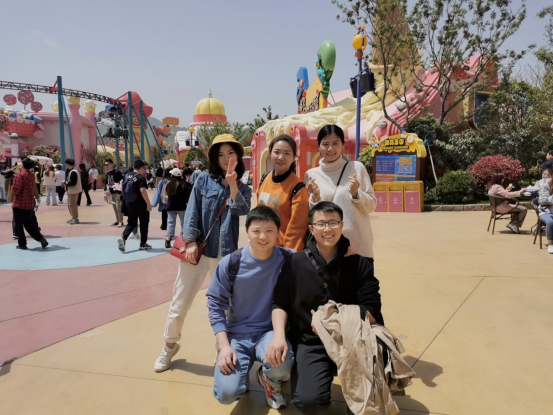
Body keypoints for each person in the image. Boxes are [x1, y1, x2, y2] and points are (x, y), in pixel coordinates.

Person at [270, 202, 383, 415]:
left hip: (354, 341)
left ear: (342, 225)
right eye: (321, 224)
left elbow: (372, 310)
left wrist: (332, 323)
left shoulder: (359, 263)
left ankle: (360, 387)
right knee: (308, 401)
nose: (327, 229)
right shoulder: (295, 262)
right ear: (311, 228)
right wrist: (278, 336)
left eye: (333, 223)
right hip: (311, 342)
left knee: (365, 409)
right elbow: (280, 303)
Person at [154, 134, 251, 373]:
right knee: (180, 302)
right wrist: (189, 241)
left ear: (238, 156)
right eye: (221, 154)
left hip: (225, 256)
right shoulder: (203, 179)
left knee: (227, 307)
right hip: (196, 252)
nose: (226, 158)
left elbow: (242, 209)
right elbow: (193, 211)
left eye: (231, 153)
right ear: (214, 158)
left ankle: (222, 353)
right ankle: (169, 346)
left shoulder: (243, 187)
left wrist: (232, 184)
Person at [207, 206, 294, 409]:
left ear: (278, 232)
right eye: (256, 231)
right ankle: (240, 377)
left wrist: (347, 248)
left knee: (282, 363)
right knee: (226, 394)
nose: (263, 236)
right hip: (237, 334)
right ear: (247, 232)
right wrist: (224, 345)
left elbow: (318, 257)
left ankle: (269, 379)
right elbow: (215, 305)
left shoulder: (288, 258)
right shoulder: (231, 263)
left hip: (270, 333)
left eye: (269, 230)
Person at [305, 124, 377, 258]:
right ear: (318, 145)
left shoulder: (356, 168)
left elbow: (371, 206)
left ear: (343, 145)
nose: (330, 148)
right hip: (328, 248)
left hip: (358, 246)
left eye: (335, 143)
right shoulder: (311, 175)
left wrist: (357, 194)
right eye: (325, 144)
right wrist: (315, 197)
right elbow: (314, 216)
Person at [257, 134, 309, 250]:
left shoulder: (298, 188)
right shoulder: (264, 179)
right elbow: (258, 213)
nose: (281, 157)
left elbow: (296, 230)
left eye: (287, 153)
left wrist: (288, 255)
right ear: (270, 154)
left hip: (281, 251)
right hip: (261, 246)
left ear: (294, 157)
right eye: (277, 152)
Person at [12, 157, 49, 250]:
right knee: (29, 224)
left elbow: (16, 190)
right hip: (29, 203)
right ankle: (41, 239)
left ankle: (22, 244)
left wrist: (13, 182)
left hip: (19, 204)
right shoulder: (31, 175)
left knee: (18, 225)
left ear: (23, 164)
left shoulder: (20, 176)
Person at [118, 159, 152, 251]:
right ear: (141, 168)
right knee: (144, 223)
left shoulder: (126, 176)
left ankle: (123, 237)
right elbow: (142, 190)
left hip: (129, 203)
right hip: (141, 204)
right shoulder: (141, 178)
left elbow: (122, 189)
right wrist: (148, 203)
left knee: (131, 223)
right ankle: (143, 243)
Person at [164, 168, 192, 249]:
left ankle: (168, 239)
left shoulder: (168, 184)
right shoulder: (183, 185)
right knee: (183, 222)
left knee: (170, 223)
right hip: (181, 207)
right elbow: (187, 197)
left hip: (171, 206)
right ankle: (184, 238)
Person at [104, 159, 124, 227]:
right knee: (115, 208)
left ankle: (121, 221)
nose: (106, 166)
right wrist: (106, 190)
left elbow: (120, 182)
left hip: (117, 193)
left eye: (107, 164)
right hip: (111, 193)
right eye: (105, 165)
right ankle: (117, 221)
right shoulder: (108, 174)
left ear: (111, 164)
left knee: (119, 207)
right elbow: (107, 183)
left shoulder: (117, 172)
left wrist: (120, 193)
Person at [538, 167, 553, 254]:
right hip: (546, 211)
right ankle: (551, 244)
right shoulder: (546, 186)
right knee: (550, 222)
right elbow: (542, 201)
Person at [64, 158, 82, 225]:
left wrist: (65, 183)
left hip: (74, 191)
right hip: (71, 191)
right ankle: (73, 217)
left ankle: (75, 218)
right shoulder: (72, 171)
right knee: (70, 205)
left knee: (73, 205)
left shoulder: (73, 172)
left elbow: (73, 182)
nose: (66, 165)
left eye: (66, 164)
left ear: (68, 164)